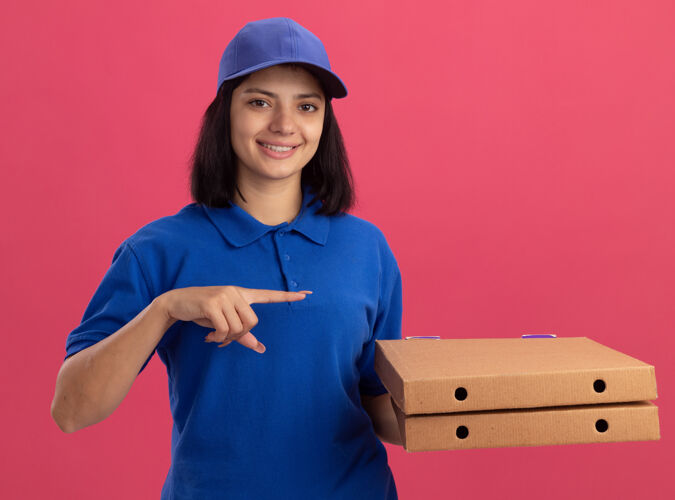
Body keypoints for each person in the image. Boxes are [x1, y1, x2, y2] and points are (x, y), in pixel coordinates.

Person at [51, 17, 403, 499]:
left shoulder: (367, 249)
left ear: (324, 121)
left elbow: (377, 403)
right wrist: (166, 308)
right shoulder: (158, 249)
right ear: (224, 113)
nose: (284, 125)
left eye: (306, 106)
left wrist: (465, 410)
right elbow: (71, 410)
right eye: (259, 102)